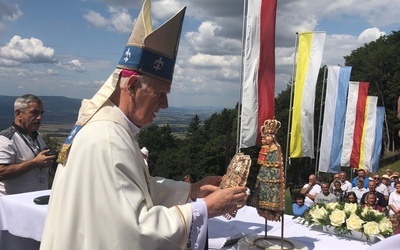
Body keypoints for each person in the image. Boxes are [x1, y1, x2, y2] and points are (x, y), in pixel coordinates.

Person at [40, 1, 248, 249]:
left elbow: (135, 191)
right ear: (132, 86)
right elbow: (135, 230)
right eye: (160, 93)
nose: (166, 104)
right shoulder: (107, 139)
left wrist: (190, 191)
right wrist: (204, 209)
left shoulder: (112, 129)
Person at [0, 94, 56, 196]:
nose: (39, 118)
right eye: (34, 113)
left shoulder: (37, 136)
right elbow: (1, 172)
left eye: (41, 113)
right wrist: (34, 163)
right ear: (18, 114)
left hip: (34, 201)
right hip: (13, 204)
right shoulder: (6, 139)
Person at [251, 119, 285, 222]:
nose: (265, 139)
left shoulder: (276, 149)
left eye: (267, 137)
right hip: (264, 178)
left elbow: (278, 166)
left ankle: (274, 212)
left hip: (273, 180)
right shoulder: (266, 148)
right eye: (265, 137)